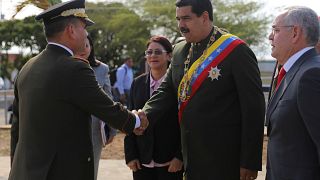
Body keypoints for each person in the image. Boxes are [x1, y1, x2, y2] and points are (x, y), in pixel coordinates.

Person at [9, 0, 148, 179]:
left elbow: (16, 127)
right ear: (71, 30)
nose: (86, 33)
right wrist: (136, 121)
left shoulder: (28, 67)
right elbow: (106, 108)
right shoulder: (74, 68)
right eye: (84, 27)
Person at [140, 0, 266, 179]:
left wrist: (249, 161)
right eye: (178, 19)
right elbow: (166, 91)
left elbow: (254, 108)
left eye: (186, 18)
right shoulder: (179, 50)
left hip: (224, 159)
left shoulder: (236, 51)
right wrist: (143, 115)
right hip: (190, 157)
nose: (180, 25)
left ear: (205, 17)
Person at [265, 6, 320, 180]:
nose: (270, 36)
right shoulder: (295, 71)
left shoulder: (311, 74)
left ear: (295, 33)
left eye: (276, 29)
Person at [124, 36, 183, 180]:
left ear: (169, 56)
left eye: (158, 52)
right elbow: (130, 120)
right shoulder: (137, 84)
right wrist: (131, 155)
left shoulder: (179, 84)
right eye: (149, 52)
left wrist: (180, 156)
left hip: (170, 161)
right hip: (142, 160)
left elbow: (186, 123)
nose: (152, 56)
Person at [75, 36, 117, 180]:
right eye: (79, 46)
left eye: (86, 45)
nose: (83, 49)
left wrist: (112, 128)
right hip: (70, 128)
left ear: (91, 47)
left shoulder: (102, 68)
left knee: (91, 171)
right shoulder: (66, 66)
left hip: (94, 129)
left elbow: (108, 99)